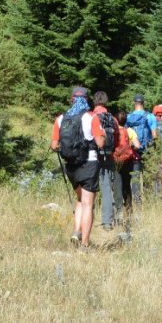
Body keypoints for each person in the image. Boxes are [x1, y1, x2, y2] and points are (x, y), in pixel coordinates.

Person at [51, 85, 105, 248]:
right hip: (89, 162)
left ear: (72, 100)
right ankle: (85, 244)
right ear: (86, 100)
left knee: (80, 199)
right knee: (89, 203)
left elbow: (54, 145)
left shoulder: (61, 119)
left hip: (71, 165)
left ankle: (76, 231)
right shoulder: (92, 117)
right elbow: (100, 142)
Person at [91, 91, 122, 231]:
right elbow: (117, 138)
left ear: (95, 102)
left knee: (88, 188)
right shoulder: (112, 119)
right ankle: (107, 221)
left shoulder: (91, 117)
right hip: (108, 155)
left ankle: (87, 217)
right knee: (106, 188)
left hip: (92, 156)